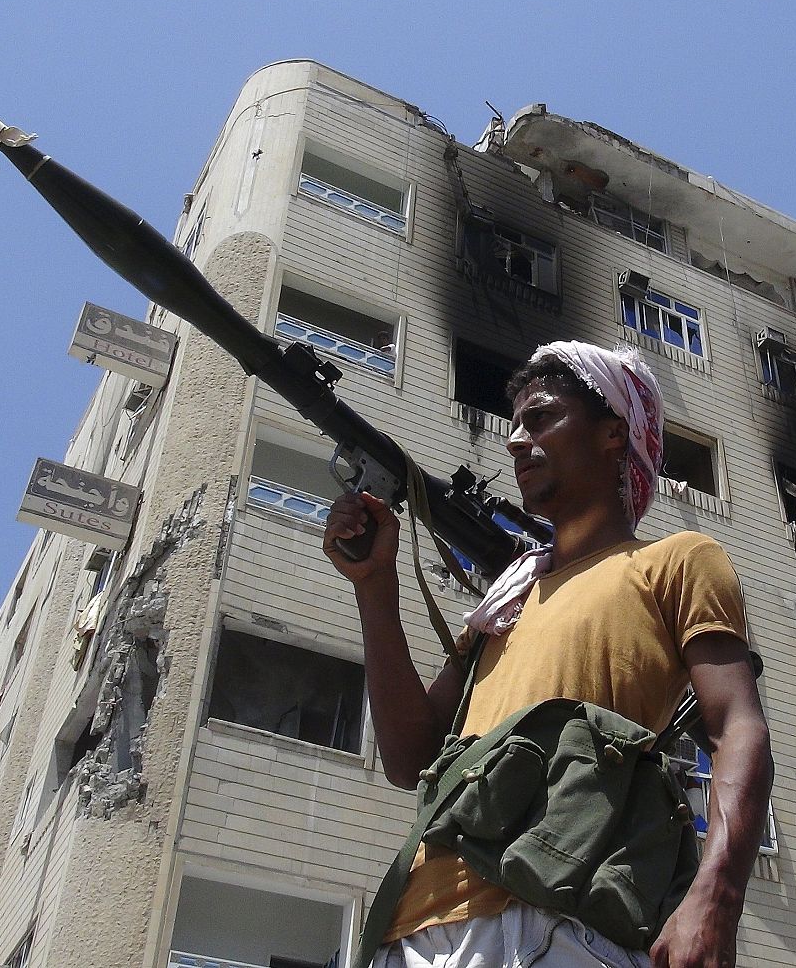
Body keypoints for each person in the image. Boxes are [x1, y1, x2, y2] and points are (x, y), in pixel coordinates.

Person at [324, 341, 773, 968]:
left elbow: (736, 726)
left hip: (558, 920)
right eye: (515, 424)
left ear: (613, 433)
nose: (515, 441)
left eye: (540, 418)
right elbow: (409, 760)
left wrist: (716, 896)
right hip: (416, 931)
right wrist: (374, 584)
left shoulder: (675, 562)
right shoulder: (504, 603)